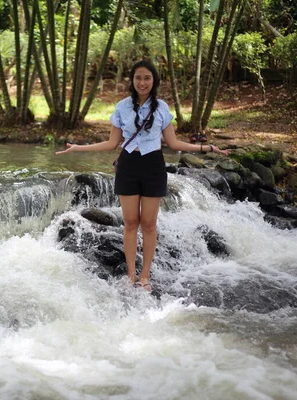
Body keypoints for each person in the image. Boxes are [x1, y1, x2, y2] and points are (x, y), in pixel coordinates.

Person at [56, 60, 230, 291]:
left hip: (153, 166)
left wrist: (207, 148)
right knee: (130, 223)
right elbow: (111, 143)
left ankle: (145, 275)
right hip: (128, 165)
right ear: (132, 80)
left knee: (148, 224)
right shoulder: (122, 107)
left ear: (154, 81)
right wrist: (78, 148)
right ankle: (130, 274)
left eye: (147, 78)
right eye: (138, 77)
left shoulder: (162, 109)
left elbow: (173, 143)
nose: (142, 82)